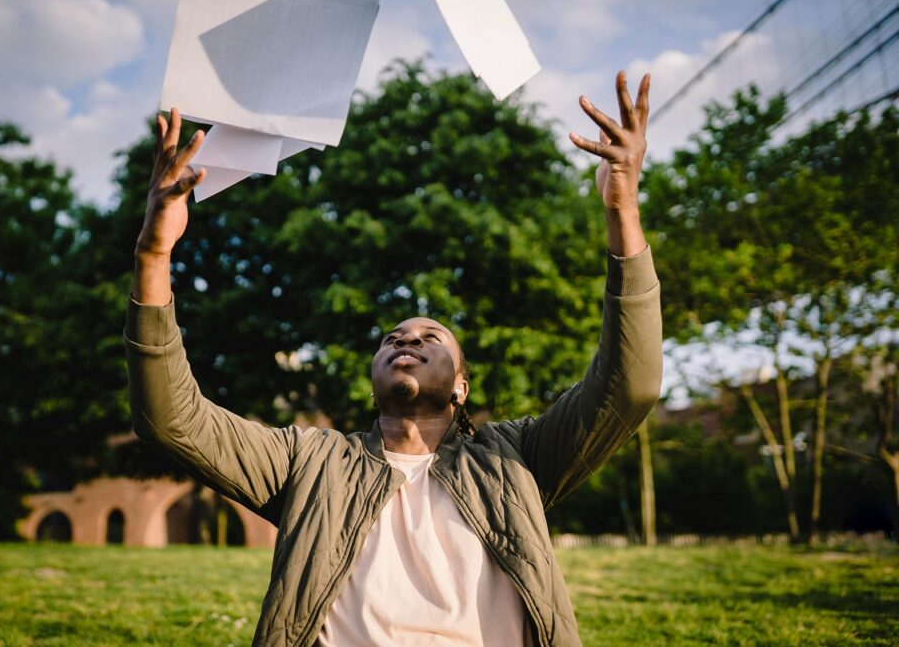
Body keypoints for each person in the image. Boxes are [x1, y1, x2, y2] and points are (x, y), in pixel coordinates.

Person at [125, 71, 662, 647]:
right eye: (392, 337)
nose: (406, 339)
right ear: (374, 376)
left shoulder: (518, 460)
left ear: (460, 387)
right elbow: (173, 420)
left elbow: (626, 387)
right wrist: (155, 255)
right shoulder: (312, 463)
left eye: (430, 336)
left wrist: (622, 210)